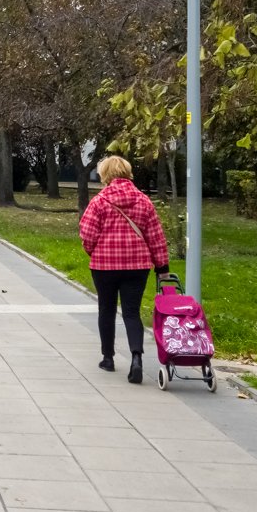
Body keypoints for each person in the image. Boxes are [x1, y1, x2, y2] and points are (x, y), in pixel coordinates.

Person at [78, 155, 170, 384]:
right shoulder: (143, 201)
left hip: (104, 266)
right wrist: (162, 267)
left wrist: (94, 252)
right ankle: (136, 357)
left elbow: (87, 234)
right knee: (131, 311)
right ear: (127, 172)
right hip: (137, 267)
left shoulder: (99, 201)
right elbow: (156, 236)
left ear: (105, 174)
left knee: (106, 309)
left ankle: (108, 358)